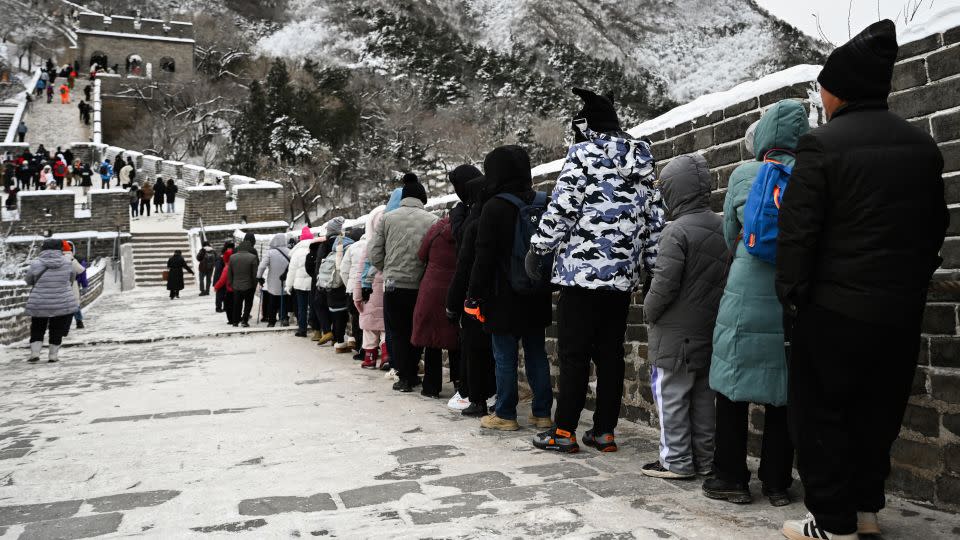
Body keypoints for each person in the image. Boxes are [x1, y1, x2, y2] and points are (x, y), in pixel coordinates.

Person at [776, 21, 949, 540]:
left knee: (822, 416)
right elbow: (934, 229)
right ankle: (866, 510)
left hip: (833, 310)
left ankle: (832, 522)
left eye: (824, 87)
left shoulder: (821, 147)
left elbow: (798, 236)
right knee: (877, 413)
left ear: (840, 90)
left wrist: (794, 297)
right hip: (898, 312)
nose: (821, 97)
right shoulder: (923, 148)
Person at [527, 88, 665, 452]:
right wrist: (652, 266)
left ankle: (563, 432)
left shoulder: (583, 155)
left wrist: (539, 247)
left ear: (586, 126)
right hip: (621, 278)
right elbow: (656, 219)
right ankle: (604, 432)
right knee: (610, 355)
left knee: (574, 354)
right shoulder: (642, 159)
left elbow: (563, 207)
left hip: (580, 274)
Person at [704, 100, 808, 508]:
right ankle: (777, 482)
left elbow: (730, 235)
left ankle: (729, 477)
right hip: (792, 296)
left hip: (745, 292)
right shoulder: (811, 175)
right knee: (782, 391)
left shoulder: (745, 174)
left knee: (731, 388)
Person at [639, 153, 728, 477]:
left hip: (675, 334)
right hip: (709, 328)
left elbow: (664, 284)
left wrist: (649, 311)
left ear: (675, 190)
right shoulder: (721, 226)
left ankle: (676, 460)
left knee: (672, 396)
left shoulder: (675, 232)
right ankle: (705, 461)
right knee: (704, 399)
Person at [466, 146, 553, 431]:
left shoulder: (494, 206)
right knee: (537, 353)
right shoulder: (544, 202)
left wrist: (474, 295)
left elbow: (484, 257)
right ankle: (542, 413)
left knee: (504, 356)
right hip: (537, 290)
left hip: (501, 294)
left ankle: (505, 414)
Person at [368, 173, 439, 392]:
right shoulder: (433, 220)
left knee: (398, 332)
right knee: (416, 330)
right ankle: (413, 372)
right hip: (420, 286)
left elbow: (374, 252)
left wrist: (387, 268)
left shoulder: (388, 219)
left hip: (393, 284)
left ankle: (404, 377)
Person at [443, 164, 484, 411]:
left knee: (471, 342)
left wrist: (457, 213)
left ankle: (471, 394)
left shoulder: (472, 211)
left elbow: (462, 238)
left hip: (473, 284)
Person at [411, 214, 460, 399]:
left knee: (432, 339)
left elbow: (421, 254)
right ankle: (460, 385)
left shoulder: (436, 229)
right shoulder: (464, 228)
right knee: (455, 339)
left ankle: (431, 387)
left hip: (431, 289)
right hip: (455, 288)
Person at [25, 239, 78, 363]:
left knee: (37, 327)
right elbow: (71, 279)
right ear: (60, 249)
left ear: (43, 249)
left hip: (39, 301)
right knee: (57, 328)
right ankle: (53, 356)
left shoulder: (35, 263)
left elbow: (28, 280)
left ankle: (35, 353)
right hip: (61, 301)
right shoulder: (67, 263)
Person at [353, 209, 389, 369]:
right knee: (385, 328)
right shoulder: (392, 243)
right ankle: (386, 354)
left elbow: (359, 274)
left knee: (369, 328)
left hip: (370, 293)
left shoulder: (369, 246)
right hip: (386, 291)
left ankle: (370, 357)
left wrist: (357, 296)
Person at [316, 217, 354, 353]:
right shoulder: (347, 244)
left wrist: (319, 282)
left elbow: (318, 265)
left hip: (327, 283)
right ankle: (342, 340)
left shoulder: (325, 245)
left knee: (334, 311)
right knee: (344, 313)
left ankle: (337, 340)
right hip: (343, 282)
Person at [286, 226, 321, 337]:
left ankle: (302, 329)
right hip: (313, 283)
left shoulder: (296, 252)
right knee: (314, 306)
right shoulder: (315, 249)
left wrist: (288, 286)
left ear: (300, 239)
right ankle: (316, 329)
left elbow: (291, 270)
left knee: (301, 307)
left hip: (299, 285)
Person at [257, 233, 291, 327]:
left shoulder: (270, 253)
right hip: (286, 280)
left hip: (272, 282)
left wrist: (259, 277)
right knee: (284, 299)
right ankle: (284, 318)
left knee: (272, 301)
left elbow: (262, 266)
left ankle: (271, 321)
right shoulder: (290, 251)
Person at [228, 232, 260, 327]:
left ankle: (235, 321)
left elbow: (230, 270)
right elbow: (255, 269)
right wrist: (255, 283)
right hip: (249, 283)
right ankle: (244, 320)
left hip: (236, 283)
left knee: (237, 303)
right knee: (248, 303)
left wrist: (231, 282)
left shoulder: (235, 251)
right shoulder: (253, 251)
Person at [62, 242, 88, 330]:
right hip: (72, 283)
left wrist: (84, 284)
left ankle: (72, 322)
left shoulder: (57, 259)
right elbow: (82, 271)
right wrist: (84, 285)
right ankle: (78, 321)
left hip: (65, 284)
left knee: (68, 305)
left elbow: (82, 273)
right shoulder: (76, 260)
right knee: (74, 304)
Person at [214, 245, 237, 324]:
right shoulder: (238, 264)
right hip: (238, 288)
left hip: (230, 289)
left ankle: (232, 320)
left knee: (229, 305)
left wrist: (216, 286)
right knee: (236, 304)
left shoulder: (227, 267)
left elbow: (222, 280)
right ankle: (237, 317)